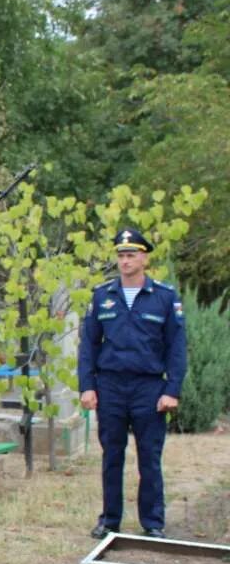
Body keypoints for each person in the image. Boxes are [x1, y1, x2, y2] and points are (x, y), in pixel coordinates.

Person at [80, 228, 186, 539]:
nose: (125, 261)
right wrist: (87, 386)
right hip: (110, 385)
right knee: (112, 455)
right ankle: (110, 520)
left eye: (131, 255)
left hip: (148, 388)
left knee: (149, 457)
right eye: (121, 255)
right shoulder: (103, 296)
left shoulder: (164, 298)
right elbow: (89, 345)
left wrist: (172, 390)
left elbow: (176, 347)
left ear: (144, 258)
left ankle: (152, 522)